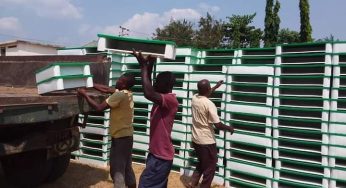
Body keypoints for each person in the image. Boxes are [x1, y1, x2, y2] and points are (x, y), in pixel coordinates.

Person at [77, 73, 136, 188]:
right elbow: (107, 89)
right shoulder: (127, 93)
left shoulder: (119, 95)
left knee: (117, 169)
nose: (117, 80)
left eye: (120, 80)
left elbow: (99, 107)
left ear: (123, 84)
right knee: (127, 166)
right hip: (128, 137)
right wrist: (91, 84)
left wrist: (84, 94)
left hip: (120, 138)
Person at [132, 50, 179, 188]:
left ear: (164, 86)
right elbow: (150, 89)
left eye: (157, 82)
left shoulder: (170, 100)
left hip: (161, 158)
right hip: (156, 155)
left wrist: (142, 66)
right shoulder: (161, 97)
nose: (154, 85)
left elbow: (148, 92)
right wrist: (150, 63)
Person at [187, 79, 234, 188]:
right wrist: (229, 128)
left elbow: (205, 94)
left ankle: (192, 182)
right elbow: (217, 125)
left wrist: (216, 87)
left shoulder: (194, 98)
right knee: (211, 166)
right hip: (206, 140)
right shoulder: (209, 104)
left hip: (195, 138)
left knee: (202, 161)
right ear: (207, 89)